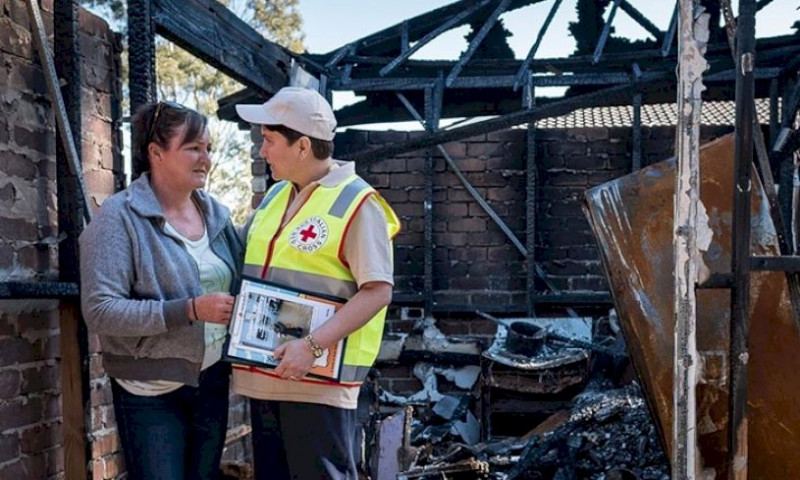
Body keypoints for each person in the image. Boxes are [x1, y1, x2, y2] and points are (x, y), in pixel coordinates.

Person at [234, 86, 400, 479]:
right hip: (265, 378)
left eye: (270, 141)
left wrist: (311, 346)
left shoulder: (358, 203)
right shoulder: (275, 196)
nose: (262, 151)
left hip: (318, 383)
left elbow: (378, 291)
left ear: (303, 146)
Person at [80, 101, 243, 480]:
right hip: (149, 393)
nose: (205, 158)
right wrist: (188, 309)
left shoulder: (217, 215)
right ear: (155, 152)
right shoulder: (118, 218)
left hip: (212, 382)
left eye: (208, 149)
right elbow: (100, 310)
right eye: (193, 148)